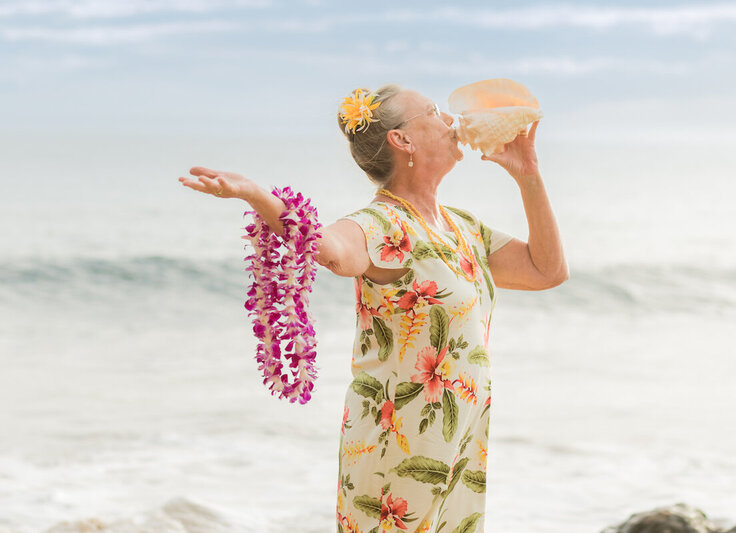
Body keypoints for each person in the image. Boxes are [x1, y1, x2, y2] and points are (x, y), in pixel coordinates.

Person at [178, 83, 568, 533]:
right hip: (399, 446)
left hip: (460, 442)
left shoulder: (463, 228)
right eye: (434, 112)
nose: (449, 120)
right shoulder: (379, 224)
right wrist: (258, 197)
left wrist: (529, 175)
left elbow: (547, 271)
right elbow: (329, 249)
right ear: (402, 140)